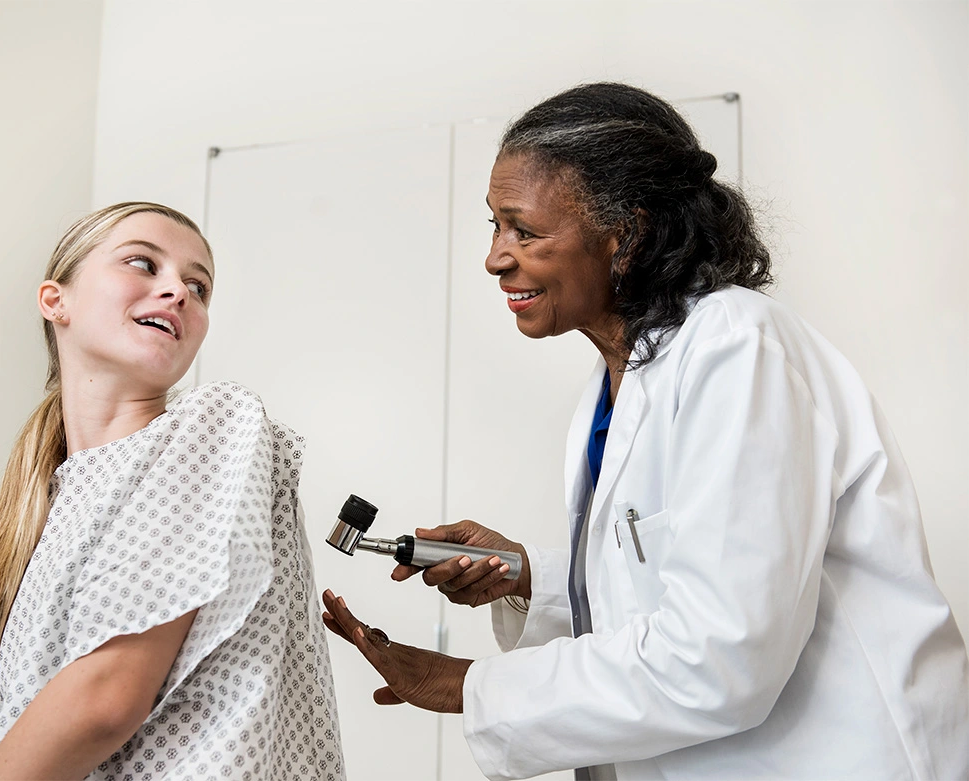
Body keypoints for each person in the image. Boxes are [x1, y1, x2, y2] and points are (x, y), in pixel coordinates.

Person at [322, 83, 969, 780]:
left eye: (525, 230)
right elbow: (659, 593)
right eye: (494, 226)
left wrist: (466, 686)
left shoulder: (736, 347)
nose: (496, 257)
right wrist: (532, 575)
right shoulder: (614, 385)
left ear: (625, 235)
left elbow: (721, 656)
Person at [0, 202, 344, 780]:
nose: (178, 292)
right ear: (56, 301)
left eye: (199, 287)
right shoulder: (42, 505)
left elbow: (105, 698)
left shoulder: (212, 425)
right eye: (143, 264)